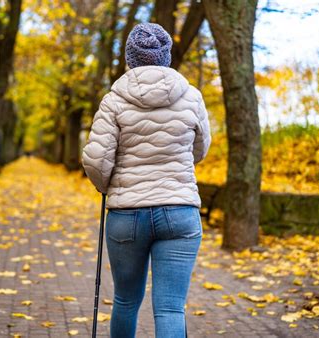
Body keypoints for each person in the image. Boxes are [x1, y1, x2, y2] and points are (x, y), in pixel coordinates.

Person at [81, 22, 212, 338]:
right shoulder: (191, 96)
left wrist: (106, 184)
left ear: (130, 58)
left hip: (127, 215)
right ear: (166, 56)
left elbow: (96, 160)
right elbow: (201, 148)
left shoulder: (114, 99)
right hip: (180, 212)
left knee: (126, 300)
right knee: (170, 308)